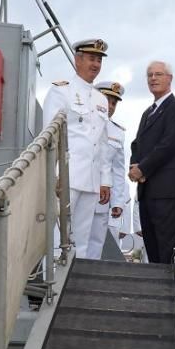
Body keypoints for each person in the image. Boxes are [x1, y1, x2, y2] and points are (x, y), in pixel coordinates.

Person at [43, 38, 112, 258]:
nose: (96, 65)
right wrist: (53, 174)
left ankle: (73, 288)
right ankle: (53, 290)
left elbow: (102, 143)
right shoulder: (61, 92)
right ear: (77, 60)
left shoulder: (101, 99)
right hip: (66, 176)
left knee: (81, 240)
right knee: (57, 236)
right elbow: (49, 136)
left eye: (99, 60)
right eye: (91, 59)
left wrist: (105, 181)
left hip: (91, 180)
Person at [129, 60, 175, 264]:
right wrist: (134, 166)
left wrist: (143, 168)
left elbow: (169, 144)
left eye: (158, 74)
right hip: (147, 191)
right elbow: (137, 143)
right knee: (152, 250)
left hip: (167, 191)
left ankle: (168, 294)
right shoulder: (148, 112)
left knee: (166, 251)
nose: (153, 78)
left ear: (169, 79)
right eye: (149, 75)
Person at [87, 81, 128, 259]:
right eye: (107, 100)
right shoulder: (80, 123)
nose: (110, 106)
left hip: (102, 199)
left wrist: (118, 202)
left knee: (96, 243)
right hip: (77, 191)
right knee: (73, 242)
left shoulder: (117, 132)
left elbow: (118, 170)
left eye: (114, 103)